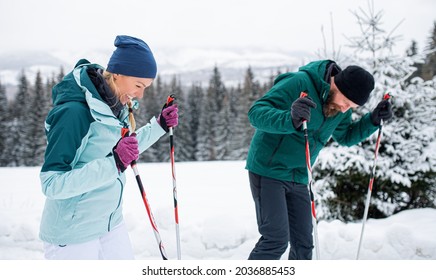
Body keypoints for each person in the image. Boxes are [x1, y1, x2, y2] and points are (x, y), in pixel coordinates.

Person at [39, 35, 178, 260]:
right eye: (138, 85)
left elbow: (126, 150)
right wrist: (114, 162)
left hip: (110, 223)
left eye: (146, 87)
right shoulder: (74, 114)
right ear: (117, 74)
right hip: (73, 233)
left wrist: (159, 126)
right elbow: (52, 184)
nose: (140, 94)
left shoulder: (112, 106)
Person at [245, 59, 393, 260]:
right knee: (276, 240)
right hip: (269, 170)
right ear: (337, 85)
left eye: (351, 107)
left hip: (300, 176)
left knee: (304, 245)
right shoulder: (298, 83)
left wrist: (373, 120)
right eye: (346, 102)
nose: (344, 109)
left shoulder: (339, 107)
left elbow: (346, 137)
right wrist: (290, 119)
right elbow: (256, 113)